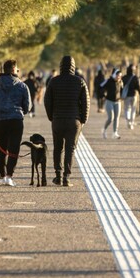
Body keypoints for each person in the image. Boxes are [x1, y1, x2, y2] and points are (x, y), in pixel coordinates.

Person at [0, 59, 31, 187]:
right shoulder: (22, 86)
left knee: (1, 150)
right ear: (14, 70)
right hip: (16, 121)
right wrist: (20, 112)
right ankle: (9, 176)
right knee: (13, 149)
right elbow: (28, 106)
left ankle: (2, 174)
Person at [44, 55, 90, 187]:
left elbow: (47, 101)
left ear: (60, 66)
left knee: (58, 148)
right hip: (74, 120)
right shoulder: (80, 81)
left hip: (58, 119)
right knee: (70, 149)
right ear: (73, 67)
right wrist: (83, 120)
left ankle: (57, 175)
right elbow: (86, 103)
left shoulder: (53, 81)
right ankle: (66, 178)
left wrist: (51, 116)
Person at [100, 69, 123, 139]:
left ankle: (115, 133)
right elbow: (101, 87)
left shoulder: (121, 82)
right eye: (117, 76)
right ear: (114, 75)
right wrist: (103, 94)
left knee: (117, 117)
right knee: (111, 118)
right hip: (109, 101)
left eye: (120, 76)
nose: (118, 77)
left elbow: (122, 90)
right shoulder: (109, 81)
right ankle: (104, 129)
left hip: (118, 102)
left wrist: (122, 97)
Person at [122, 64, 140, 130]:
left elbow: (120, 87)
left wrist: (120, 95)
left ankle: (128, 121)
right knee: (133, 109)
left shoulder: (124, 78)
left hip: (126, 96)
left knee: (127, 109)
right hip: (134, 95)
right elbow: (139, 88)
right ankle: (131, 122)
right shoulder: (136, 78)